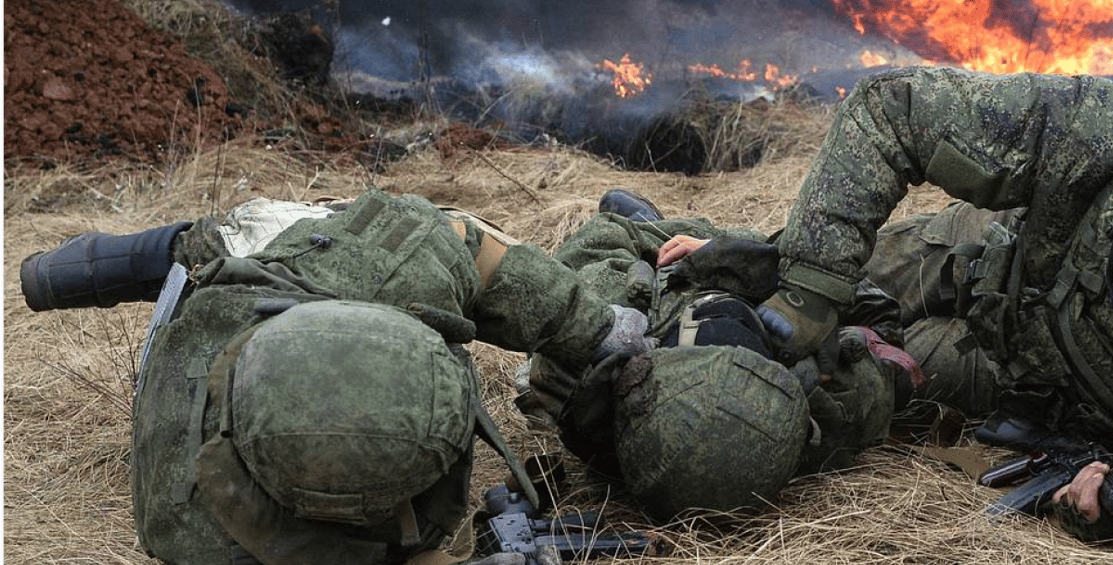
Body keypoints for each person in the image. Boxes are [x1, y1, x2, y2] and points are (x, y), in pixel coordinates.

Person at [747, 65, 1113, 543]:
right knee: (772, 292)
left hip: (1028, 385)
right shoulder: (1101, 132)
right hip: (987, 255)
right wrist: (811, 287)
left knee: (846, 386)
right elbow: (890, 109)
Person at [20, 189, 656, 565]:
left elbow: (449, 238)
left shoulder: (182, 531)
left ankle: (101, 264)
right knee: (255, 232)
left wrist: (596, 332)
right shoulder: (191, 536)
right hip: (258, 320)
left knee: (237, 238)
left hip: (259, 296)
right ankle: (626, 232)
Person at [512, 190, 925, 521]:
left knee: (631, 226)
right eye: (743, 334)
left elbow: (600, 238)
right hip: (744, 278)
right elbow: (871, 304)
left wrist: (663, 253)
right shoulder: (839, 401)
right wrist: (732, 254)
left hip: (662, 279)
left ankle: (657, 224)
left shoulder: (602, 336)